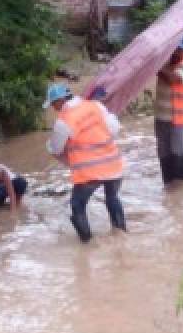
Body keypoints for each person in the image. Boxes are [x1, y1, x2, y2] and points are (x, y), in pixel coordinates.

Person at [44, 83, 126, 243]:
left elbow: (56, 148)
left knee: (77, 205)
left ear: (60, 101)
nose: (54, 108)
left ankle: (87, 244)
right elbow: (114, 129)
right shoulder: (95, 105)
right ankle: (121, 233)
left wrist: (51, 146)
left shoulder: (64, 120)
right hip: (114, 165)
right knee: (112, 198)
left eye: (53, 104)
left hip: (89, 172)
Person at [155, 37, 183, 184]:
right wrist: (159, 65)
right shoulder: (166, 63)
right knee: (164, 154)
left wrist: (158, 66)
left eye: (179, 49)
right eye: (174, 49)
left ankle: (182, 187)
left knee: (179, 154)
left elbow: (172, 79)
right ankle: (169, 185)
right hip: (161, 117)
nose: (176, 52)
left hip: (178, 119)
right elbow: (159, 72)